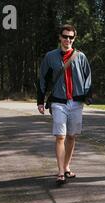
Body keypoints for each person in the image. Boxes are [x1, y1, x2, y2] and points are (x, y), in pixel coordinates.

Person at [37, 24, 92, 185]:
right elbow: (42, 79)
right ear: (60, 37)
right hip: (58, 102)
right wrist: (40, 101)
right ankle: (60, 172)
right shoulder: (50, 56)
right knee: (60, 136)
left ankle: (67, 166)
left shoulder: (80, 56)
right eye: (65, 36)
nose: (68, 39)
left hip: (76, 102)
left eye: (71, 37)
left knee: (71, 136)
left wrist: (87, 95)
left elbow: (88, 76)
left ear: (74, 39)